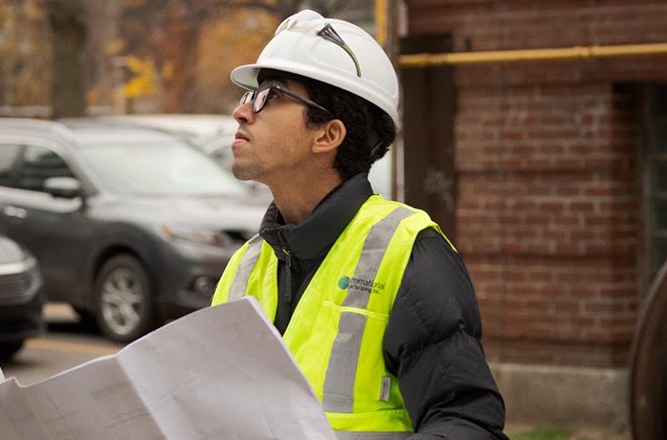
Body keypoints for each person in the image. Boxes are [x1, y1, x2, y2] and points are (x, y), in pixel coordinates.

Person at [211, 9, 507, 440]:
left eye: (269, 96)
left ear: (328, 135)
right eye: (248, 95)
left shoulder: (407, 251)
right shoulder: (243, 266)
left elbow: (469, 423)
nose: (242, 112)